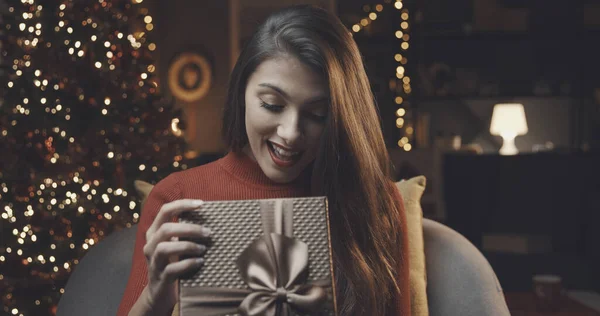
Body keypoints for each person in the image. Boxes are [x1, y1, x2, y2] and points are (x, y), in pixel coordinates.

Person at [118, 5, 410, 316]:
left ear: (339, 117)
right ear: (242, 91)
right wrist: (155, 300)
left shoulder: (375, 202)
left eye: (317, 115)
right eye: (272, 105)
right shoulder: (178, 196)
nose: (291, 133)